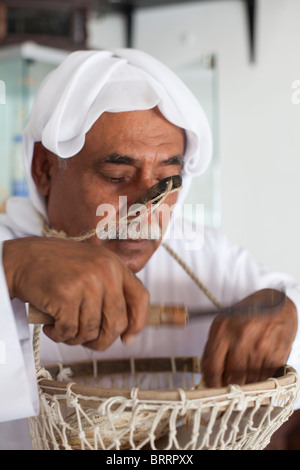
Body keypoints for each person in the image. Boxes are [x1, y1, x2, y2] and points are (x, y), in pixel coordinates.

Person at [0, 48, 299, 450]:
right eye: (117, 175)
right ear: (45, 168)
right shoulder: (10, 249)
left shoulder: (197, 250)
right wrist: (12, 269)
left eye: (167, 181)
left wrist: (282, 309)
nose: (145, 208)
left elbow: (285, 293)